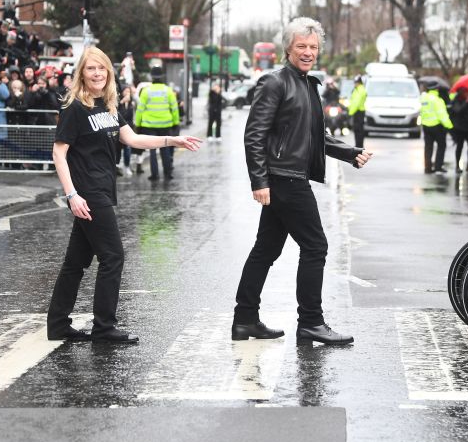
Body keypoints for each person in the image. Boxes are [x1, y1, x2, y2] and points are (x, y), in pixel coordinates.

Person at [232, 17, 373, 346]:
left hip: (288, 177)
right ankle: (311, 322)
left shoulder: (307, 85)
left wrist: (350, 152)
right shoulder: (275, 83)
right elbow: (254, 135)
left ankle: (244, 320)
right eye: (301, 47)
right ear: (288, 49)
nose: (308, 52)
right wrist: (259, 181)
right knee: (315, 246)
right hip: (284, 179)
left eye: (313, 47)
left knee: (265, 250)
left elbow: (315, 136)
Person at [47, 46, 201, 343]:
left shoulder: (107, 107)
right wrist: (71, 195)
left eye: (102, 68)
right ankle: (104, 327)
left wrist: (172, 139)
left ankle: (58, 324)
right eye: (91, 68)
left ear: (109, 73)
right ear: (82, 73)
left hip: (103, 188)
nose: (97, 74)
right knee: (113, 256)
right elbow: (59, 152)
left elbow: (133, 139)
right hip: (88, 193)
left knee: (75, 262)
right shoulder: (74, 108)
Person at [134, 66, 180, 181]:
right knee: (165, 148)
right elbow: (174, 108)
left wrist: (138, 125)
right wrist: (175, 123)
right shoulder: (168, 90)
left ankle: (154, 175)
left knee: (152, 150)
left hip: (149, 125)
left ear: (152, 77)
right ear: (162, 77)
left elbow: (140, 109)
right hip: (165, 125)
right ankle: (168, 173)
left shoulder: (146, 91)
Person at [419, 83, 452, 173]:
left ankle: (428, 167)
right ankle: (438, 166)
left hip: (426, 126)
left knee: (428, 147)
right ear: (436, 90)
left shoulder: (423, 98)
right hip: (437, 126)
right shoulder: (438, 100)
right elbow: (442, 115)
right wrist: (449, 126)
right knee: (441, 146)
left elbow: (421, 111)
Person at [348, 75, 367, 148]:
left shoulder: (360, 90)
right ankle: (358, 145)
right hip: (356, 111)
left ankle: (359, 146)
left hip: (358, 112)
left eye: (356, 82)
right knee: (357, 130)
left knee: (358, 130)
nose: (355, 84)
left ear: (359, 83)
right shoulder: (357, 89)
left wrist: (350, 112)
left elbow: (356, 103)